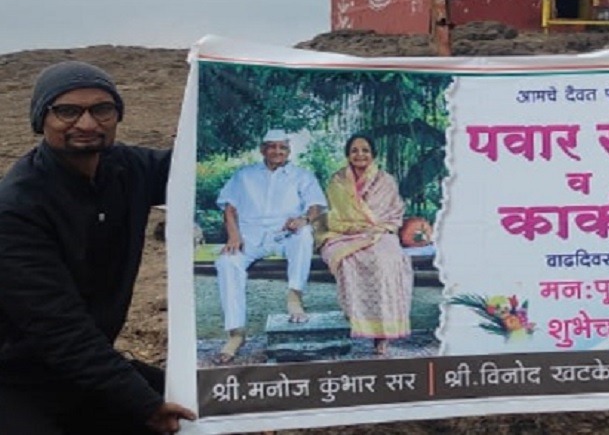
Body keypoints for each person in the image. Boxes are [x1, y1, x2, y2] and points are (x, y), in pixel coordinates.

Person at [0, 61, 196, 434]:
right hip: (17, 376)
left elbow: (200, 167)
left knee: (199, 412)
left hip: (90, 365)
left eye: (102, 109)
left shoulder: (127, 168)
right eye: (68, 111)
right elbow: (59, 330)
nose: (88, 124)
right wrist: (143, 404)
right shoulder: (17, 209)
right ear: (41, 119)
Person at [213, 128, 327, 363]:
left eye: (282, 147)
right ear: (262, 149)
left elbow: (316, 206)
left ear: (288, 151)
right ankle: (236, 333)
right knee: (226, 262)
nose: (277, 151)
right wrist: (233, 235)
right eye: (272, 146)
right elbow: (229, 207)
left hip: (286, 233)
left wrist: (302, 219)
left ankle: (294, 297)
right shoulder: (244, 175)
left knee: (304, 234)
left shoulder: (301, 176)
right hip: (250, 237)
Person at [318, 134, 414, 356]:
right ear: (347, 154)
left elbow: (394, 211)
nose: (359, 154)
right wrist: (354, 227)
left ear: (373, 154)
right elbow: (332, 214)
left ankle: (383, 336)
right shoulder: (337, 180)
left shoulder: (386, 180)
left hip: (380, 232)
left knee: (385, 261)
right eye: (354, 150)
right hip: (345, 233)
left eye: (365, 150)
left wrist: (374, 229)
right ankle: (359, 322)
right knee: (348, 260)